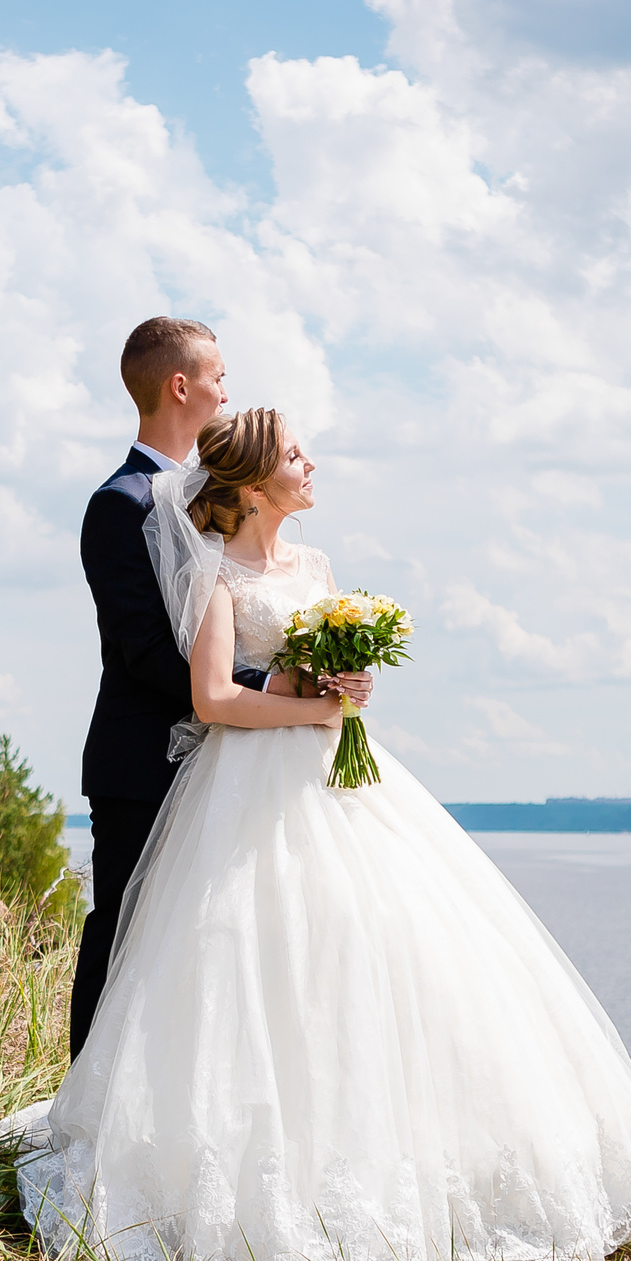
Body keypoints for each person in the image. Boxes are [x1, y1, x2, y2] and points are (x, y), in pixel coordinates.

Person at [15, 407, 631, 1261]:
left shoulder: (319, 569)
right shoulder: (217, 576)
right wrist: (312, 705)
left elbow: (324, 682)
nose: (312, 464)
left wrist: (350, 685)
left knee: (373, 941)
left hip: (342, 779)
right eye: (296, 455)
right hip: (251, 783)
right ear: (258, 485)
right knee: (248, 955)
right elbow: (214, 697)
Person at [72, 318, 372, 1058]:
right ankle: (85, 1109)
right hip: (147, 761)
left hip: (250, 767)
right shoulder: (124, 501)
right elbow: (143, 650)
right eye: (219, 376)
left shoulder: (218, 493)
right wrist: (274, 682)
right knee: (125, 929)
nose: (227, 389)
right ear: (183, 385)